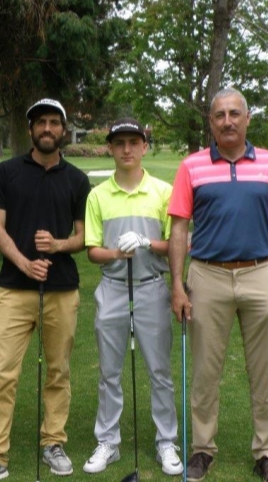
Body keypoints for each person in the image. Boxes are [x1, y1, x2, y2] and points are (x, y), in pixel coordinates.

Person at [167, 87, 268, 482]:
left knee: (264, 372)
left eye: (234, 114)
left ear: (247, 119)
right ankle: (202, 450)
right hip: (206, 276)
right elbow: (178, 227)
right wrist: (177, 284)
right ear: (211, 122)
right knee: (205, 373)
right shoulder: (191, 166)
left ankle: (266, 453)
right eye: (219, 115)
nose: (227, 121)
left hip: (262, 274)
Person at [0, 98, 91, 482]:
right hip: (15, 290)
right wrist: (25, 263)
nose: (47, 129)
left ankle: (53, 442)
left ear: (63, 130)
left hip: (62, 291)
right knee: (3, 373)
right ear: (31, 129)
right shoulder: (6, 172)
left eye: (54, 123)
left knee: (58, 371)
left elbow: (84, 237)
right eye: (41, 123)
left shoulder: (77, 180)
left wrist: (58, 245)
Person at [82, 118, 183, 476]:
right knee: (110, 372)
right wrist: (115, 254)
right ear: (110, 147)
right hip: (111, 289)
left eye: (133, 142)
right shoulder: (97, 195)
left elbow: (175, 245)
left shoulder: (163, 191)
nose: (126, 149)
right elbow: (92, 249)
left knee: (159, 370)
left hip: (152, 287)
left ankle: (166, 441)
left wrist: (145, 243)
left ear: (144, 146)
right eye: (119, 143)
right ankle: (108, 441)